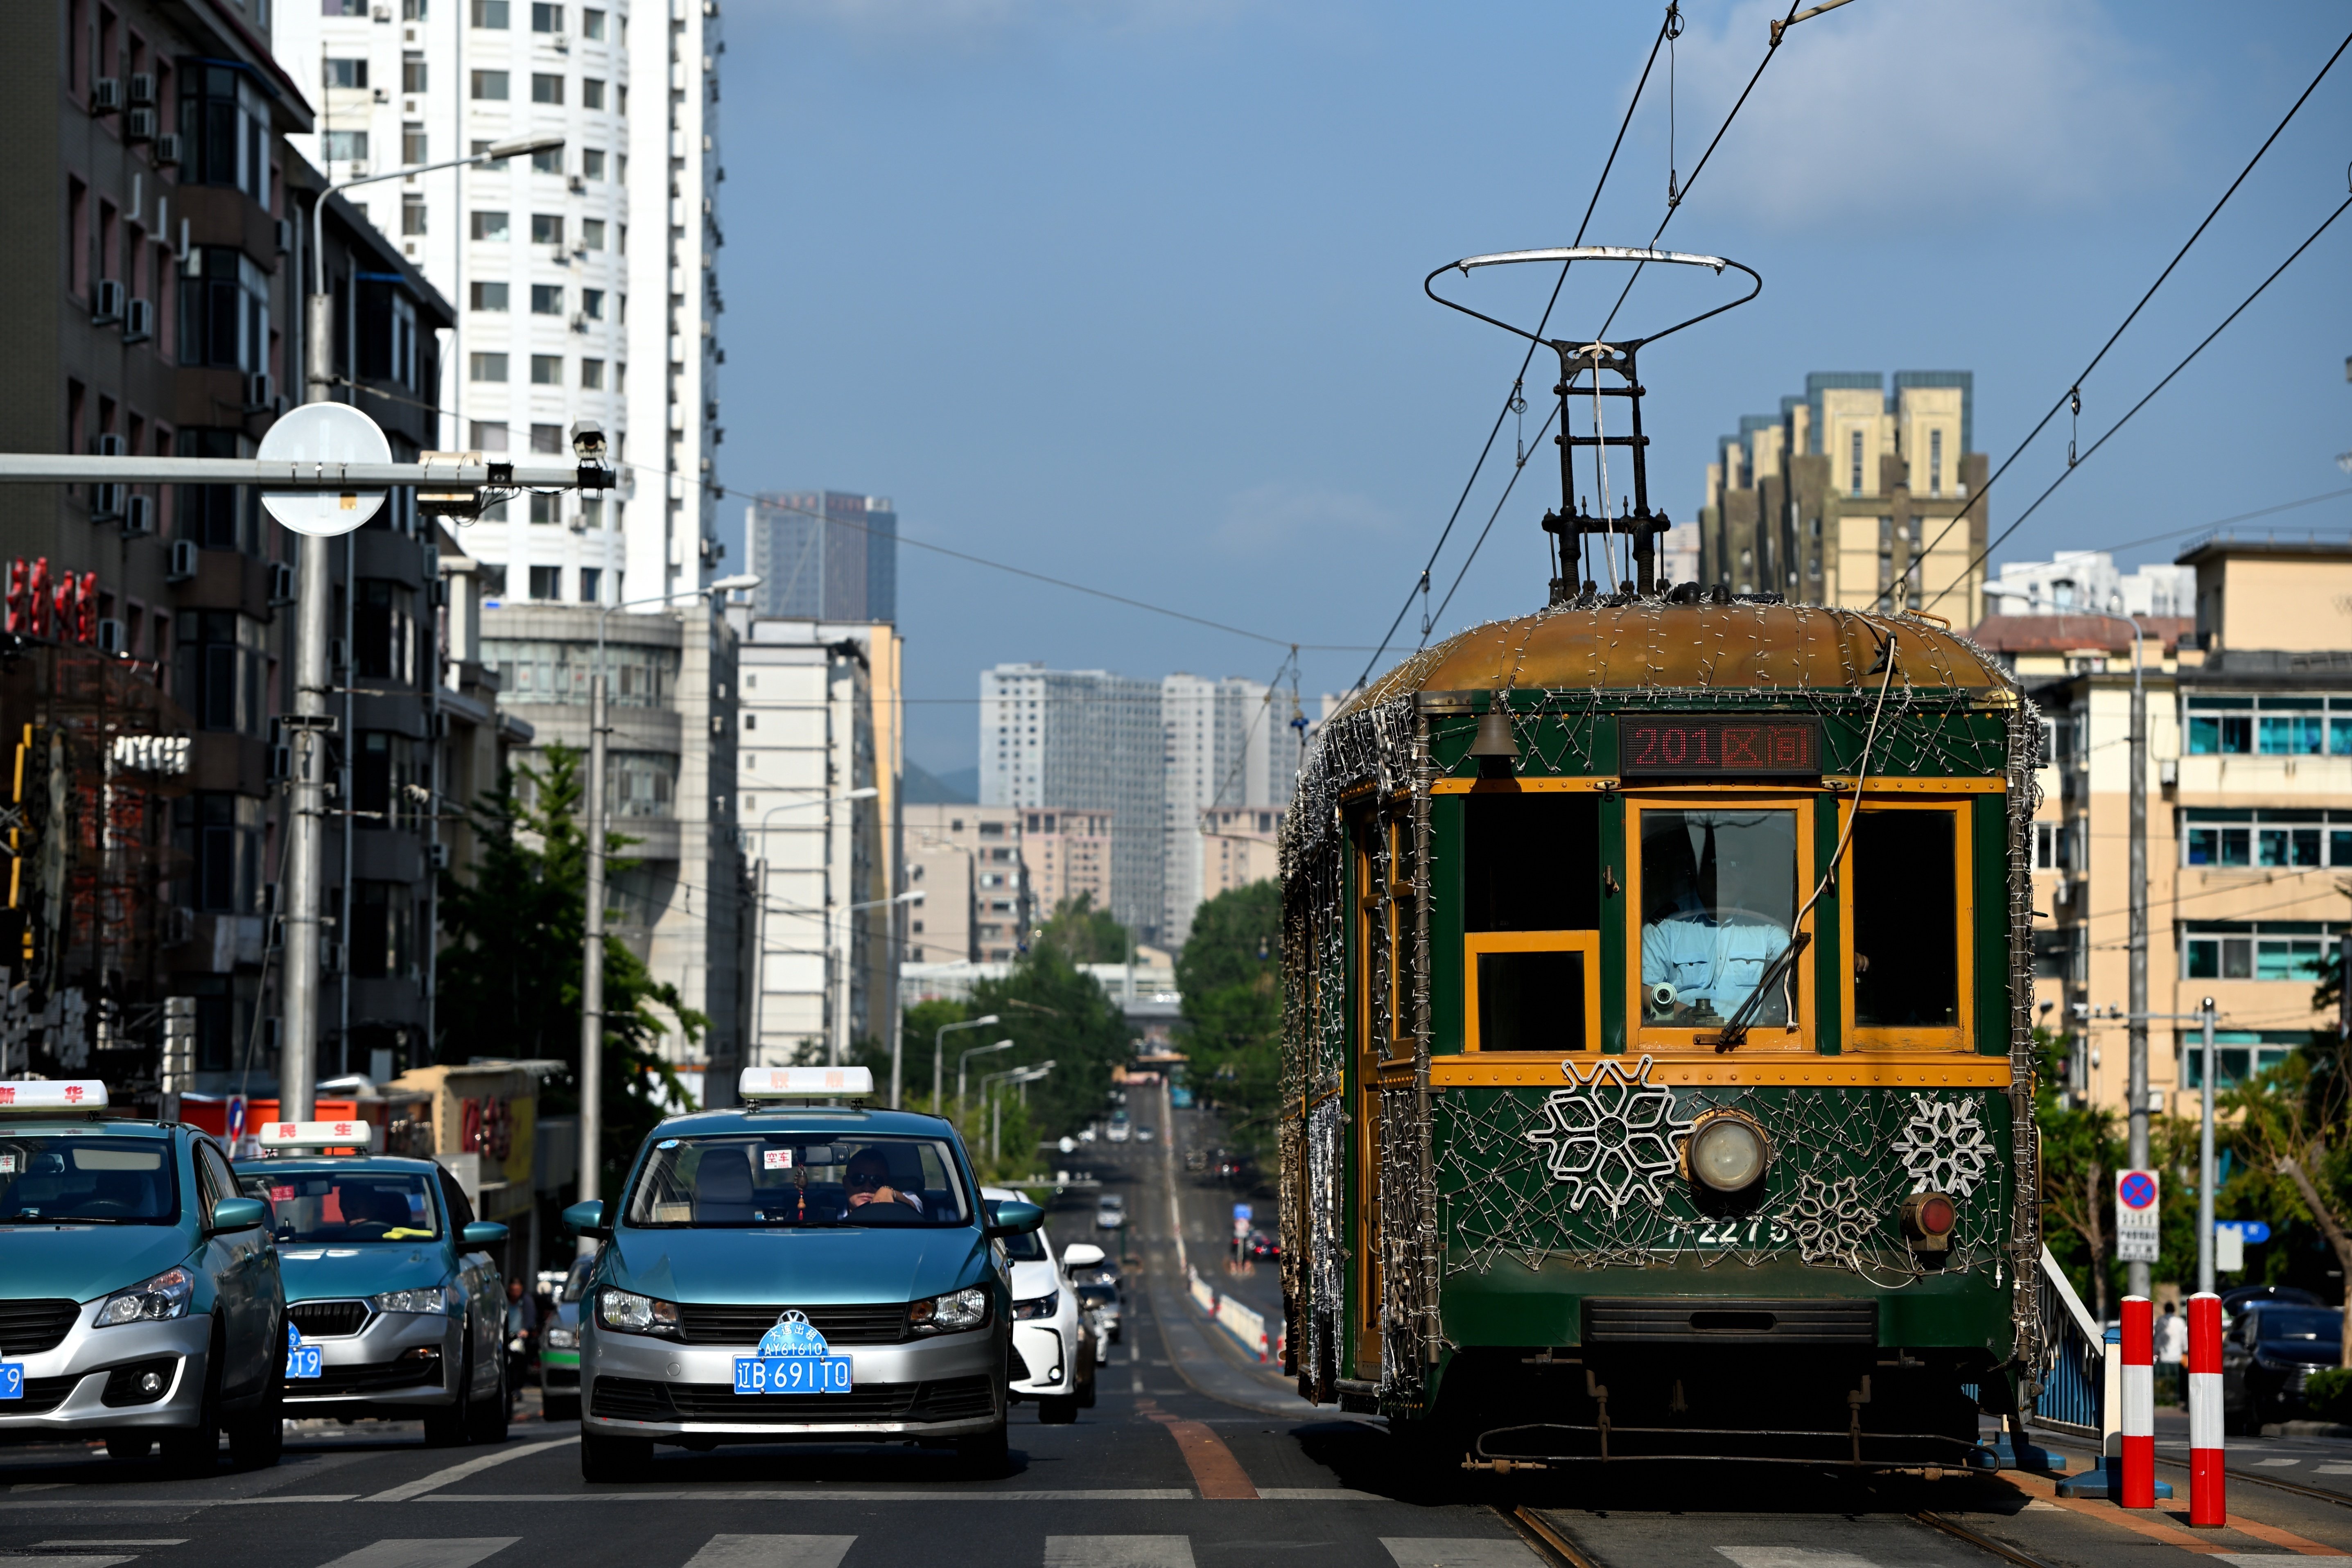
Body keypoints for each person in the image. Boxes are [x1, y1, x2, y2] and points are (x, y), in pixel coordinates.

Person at [845, 1148, 924, 1215]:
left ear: (887, 1183)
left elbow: (914, 1207)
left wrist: (889, 1193)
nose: (867, 1188)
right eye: (859, 1179)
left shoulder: (899, 1198)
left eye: (876, 1180)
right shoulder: (833, 1218)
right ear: (845, 1183)